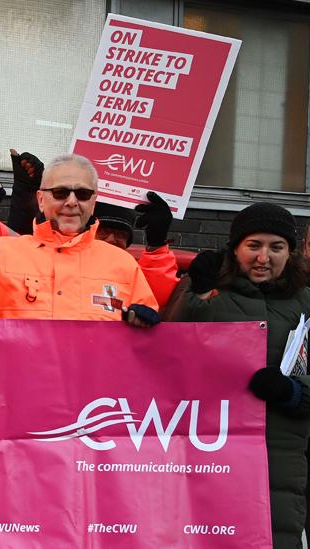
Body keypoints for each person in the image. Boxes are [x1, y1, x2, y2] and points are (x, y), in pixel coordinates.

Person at [166, 203, 310, 548]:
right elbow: (165, 359)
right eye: (253, 245)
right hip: (207, 455)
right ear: (235, 249)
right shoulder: (206, 291)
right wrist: (195, 295)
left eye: (276, 247)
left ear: (290, 253)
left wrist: (294, 392)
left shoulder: (306, 303)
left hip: (279, 463)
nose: (264, 258)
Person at [0, 154, 160, 325]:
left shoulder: (124, 264)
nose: (72, 201)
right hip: (19, 384)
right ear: (41, 200)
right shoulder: (1, 252)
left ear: (93, 202)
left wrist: (144, 324)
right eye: (60, 193)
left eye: (82, 194)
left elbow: (145, 344)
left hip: (93, 387)